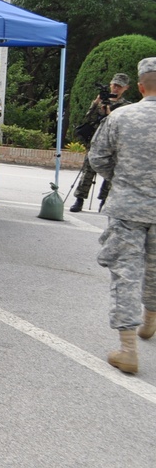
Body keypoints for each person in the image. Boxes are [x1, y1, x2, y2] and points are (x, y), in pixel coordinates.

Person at [88, 57, 156, 374]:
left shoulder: (122, 116)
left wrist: (122, 178)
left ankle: (128, 349)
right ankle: (150, 318)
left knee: (126, 273)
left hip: (128, 206)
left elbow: (97, 157)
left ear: (140, 86)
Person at [70, 73, 131, 213]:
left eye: (119, 87)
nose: (115, 89)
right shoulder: (101, 101)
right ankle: (79, 199)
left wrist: (109, 113)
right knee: (88, 170)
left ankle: (104, 201)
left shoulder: (126, 106)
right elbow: (88, 118)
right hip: (97, 141)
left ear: (126, 88)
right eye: (114, 85)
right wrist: (96, 103)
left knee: (110, 174)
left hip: (113, 144)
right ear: (110, 84)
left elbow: (120, 125)